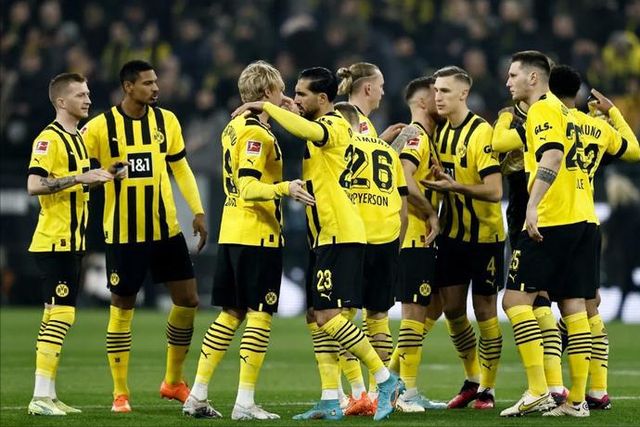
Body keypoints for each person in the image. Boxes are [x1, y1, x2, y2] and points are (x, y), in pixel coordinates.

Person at [232, 67, 404, 421]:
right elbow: (302, 128)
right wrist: (286, 108)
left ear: (323, 99)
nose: (295, 99)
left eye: (301, 94)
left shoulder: (335, 123)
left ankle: (385, 380)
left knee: (329, 316)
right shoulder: (320, 125)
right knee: (316, 315)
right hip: (322, 235)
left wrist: (266, 106)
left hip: (341, 233)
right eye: (292, 92)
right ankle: (329, 398)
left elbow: (308, 130)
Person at [181, 60, 315, 420]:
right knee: (260, 315)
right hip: (257, 234)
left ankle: (197, 394)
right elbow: (248, 185)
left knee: (231, 313)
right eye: (281, 89)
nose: (285, 95)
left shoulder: (233, 126)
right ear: (268, 91)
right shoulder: (257, 134)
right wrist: (285, 188)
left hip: (233, 230)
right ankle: (244, 402)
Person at [82, 60, 208, 413]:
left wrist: (197, 211)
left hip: (166, 230)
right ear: (128, 86)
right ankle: (120, 393)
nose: (156, 88)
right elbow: (79, 172)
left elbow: (180, 167)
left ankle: (173, 381)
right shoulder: (100, 127)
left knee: (188, 300)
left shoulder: (166, 121)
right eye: (148, 83)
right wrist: (103, 174)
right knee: (123, 306)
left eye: (156, 82)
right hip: (124, 234)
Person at [501, 51, 593, 417]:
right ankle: (577, 401)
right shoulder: (567, 112)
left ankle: (538, 390)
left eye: (513, 75)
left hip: (552, 220)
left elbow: (552, 156)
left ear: (534, 78)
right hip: (582, 217)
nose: (508, 82)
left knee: (514, 301)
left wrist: (532, 205)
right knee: (573, 305)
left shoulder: (541, 109)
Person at [547, 65, 639, 412]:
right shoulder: (596, 126)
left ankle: (552, 389)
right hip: (588, 221)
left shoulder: (548, 118)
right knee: (589, 305)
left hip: (556, 219)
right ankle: (597, 390)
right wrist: (612, 111)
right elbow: (634, 149)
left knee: (535, 302)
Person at [26, 73, 118, 416]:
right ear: (61, 101)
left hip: (72, 241)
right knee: (62, 314)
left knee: (53, 315)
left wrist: (103, 177)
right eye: (80, 94)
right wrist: (80, 177)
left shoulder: (78, 138)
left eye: (88, 93)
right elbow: (34, 185)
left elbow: (75, 185)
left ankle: (47, 395)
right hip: (55, 240)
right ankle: (39, 396)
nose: (88, 99)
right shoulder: (48, 139)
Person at [422, 66, 505, 410]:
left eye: (444, 90)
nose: (437, 97)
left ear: (463, 94)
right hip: (452, 235)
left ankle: (488, 388)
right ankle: (472, 378)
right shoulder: (440, 133)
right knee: (453, 309)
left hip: (485, 237)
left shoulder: (481, 132)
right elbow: (442, 181)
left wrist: (455, 186)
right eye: (435, 90)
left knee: (484, 311)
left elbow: (495, 191)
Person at [334, 101, 409, 416]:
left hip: (353, 239)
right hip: (386, 238)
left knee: (339, 317)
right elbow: (403, 205)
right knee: (378, 318)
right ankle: (381, 396)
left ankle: (358, 393)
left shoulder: (339, 149)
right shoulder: (388, 152)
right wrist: (396, 245)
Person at [388, 76, 447, 412]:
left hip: (414, 237)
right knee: (413, 313)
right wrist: (431, 213)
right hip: (413, 235)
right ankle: (405, 392)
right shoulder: (416, 134)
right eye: (435, 94)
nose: (440, 99)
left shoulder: (424, 138)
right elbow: (405, 178)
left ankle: (390, 382)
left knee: (431, 308)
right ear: (422, 102)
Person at [337, 62, 405, 142]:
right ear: (368, 89)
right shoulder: (359, 123)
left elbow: (358, 147)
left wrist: (380, 141)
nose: (383, 92)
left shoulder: (342, 115)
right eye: (381, 86)